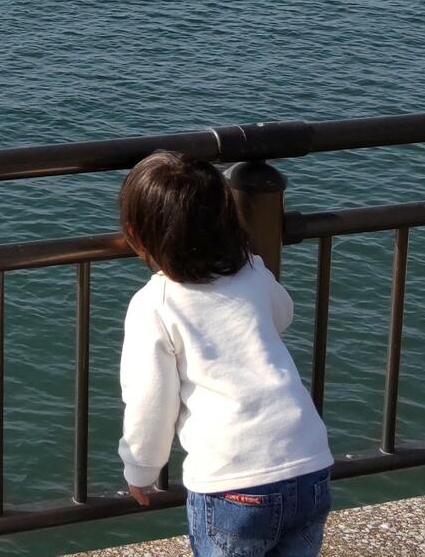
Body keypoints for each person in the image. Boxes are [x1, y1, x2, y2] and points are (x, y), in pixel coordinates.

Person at [117, 149, 333, 557]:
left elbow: (149, 401)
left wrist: (141, 470)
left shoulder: (156, 303)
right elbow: (282, 314)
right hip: (309, 463)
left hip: (234, 484)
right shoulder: (251, 270)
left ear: (135, 233)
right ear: (227, 218)